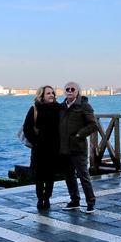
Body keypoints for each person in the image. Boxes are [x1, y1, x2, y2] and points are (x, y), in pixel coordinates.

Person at [59, 81, 99, 212]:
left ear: (77, 91)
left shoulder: (84, 106)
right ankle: (74, 200)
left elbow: (93, 125)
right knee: (69, 176)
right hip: (64, 149)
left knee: (83, 176)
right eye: (67, 89)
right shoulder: (62, 107)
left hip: (78, 148)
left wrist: (79, 135)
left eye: (73, 89)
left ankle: (90, 202)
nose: (70, 91)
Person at [22, 85, 61, 210]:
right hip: (39, 148)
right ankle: (40, 198)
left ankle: (47, 198)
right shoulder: (35, 109)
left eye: (52, 93)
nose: (51, 95)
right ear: (42, 95)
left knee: (50, 176)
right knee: (39, 175)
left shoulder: (59, 108)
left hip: (54, 147)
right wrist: (35, 141)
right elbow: (27, 128)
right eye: (48, 93)